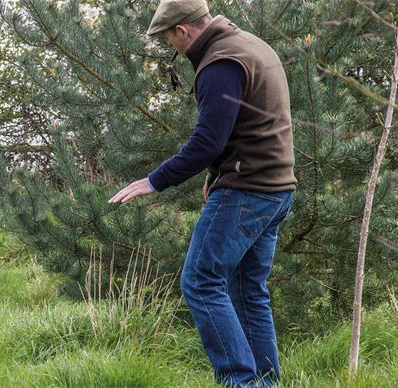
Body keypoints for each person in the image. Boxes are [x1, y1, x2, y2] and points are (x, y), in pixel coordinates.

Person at [108, 0, 297, 386]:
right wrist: (215, 179)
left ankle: (240, 382)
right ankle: (265, 382)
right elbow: (247, 128)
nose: (171, 47)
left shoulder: (220, 64)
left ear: (182, 30)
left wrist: (154, 181)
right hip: (276, 189)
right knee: (247, 290)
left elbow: (208, 141)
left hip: (249, 189)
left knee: (200, 280)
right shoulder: (250, 45)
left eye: (167, 38)